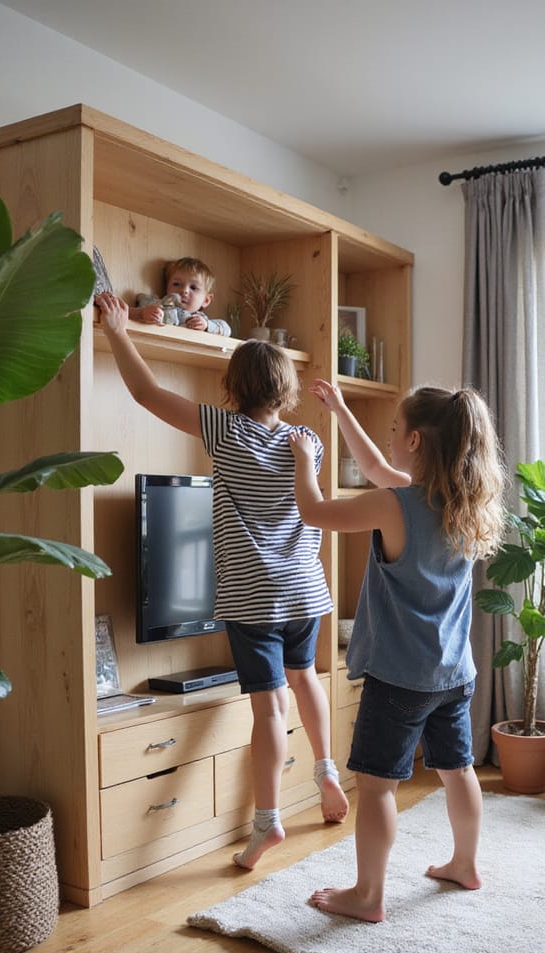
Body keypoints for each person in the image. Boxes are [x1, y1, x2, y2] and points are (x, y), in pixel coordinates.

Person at [96, 293, 349, 868]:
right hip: (305, 591)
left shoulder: (226, 431)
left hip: (253, 598)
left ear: (232, 388)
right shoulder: (307, 442)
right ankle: (325, 771)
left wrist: (118, 331)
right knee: (305, 678)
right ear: (285, 389)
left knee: (269, 709)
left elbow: (147, 394)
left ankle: (266, 822)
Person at [289, 379, 507, 922]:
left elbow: (314, 512)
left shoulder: (395, 505)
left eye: (393, 429)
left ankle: (368, 895)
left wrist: (304, 461)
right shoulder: (461, 504)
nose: (387, 439)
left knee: (377, 787)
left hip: (399, 679)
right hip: (453, 673)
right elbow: (377, 469)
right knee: (458, 770)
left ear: (414, 441)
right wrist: (340, 410)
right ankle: (465, 864)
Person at [128, 257, 232, 336]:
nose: (184, 291)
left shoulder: (200, 319)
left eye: (193, 287)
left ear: (206, 300)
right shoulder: (158, 306)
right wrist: (143, 313)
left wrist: (206, 325)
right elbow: (126, 313)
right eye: (176, 284)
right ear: (167, 289)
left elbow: (226, 329)